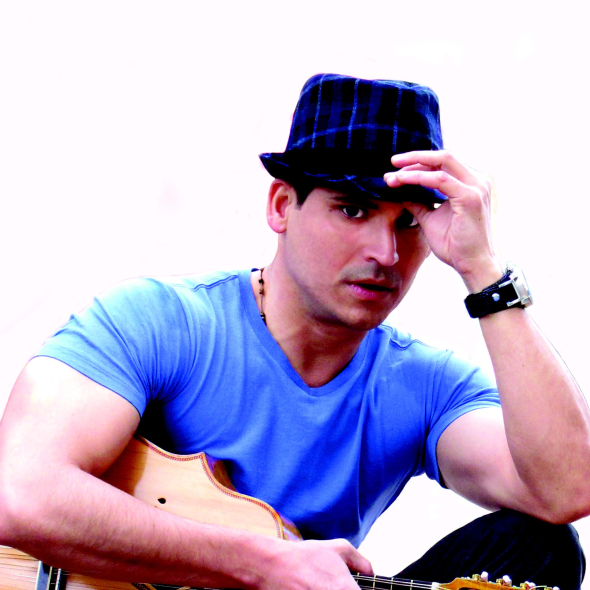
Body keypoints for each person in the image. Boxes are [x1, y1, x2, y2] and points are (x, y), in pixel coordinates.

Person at [0, 73, 589, 590]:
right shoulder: (162, 321)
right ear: (282, 205)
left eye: (409, 222)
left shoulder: (425, 386)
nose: (386, 253)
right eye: (352, 209)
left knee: (538, 548)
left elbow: (567, 491)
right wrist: (262, 564)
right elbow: (20, 492)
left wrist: (484, 272)